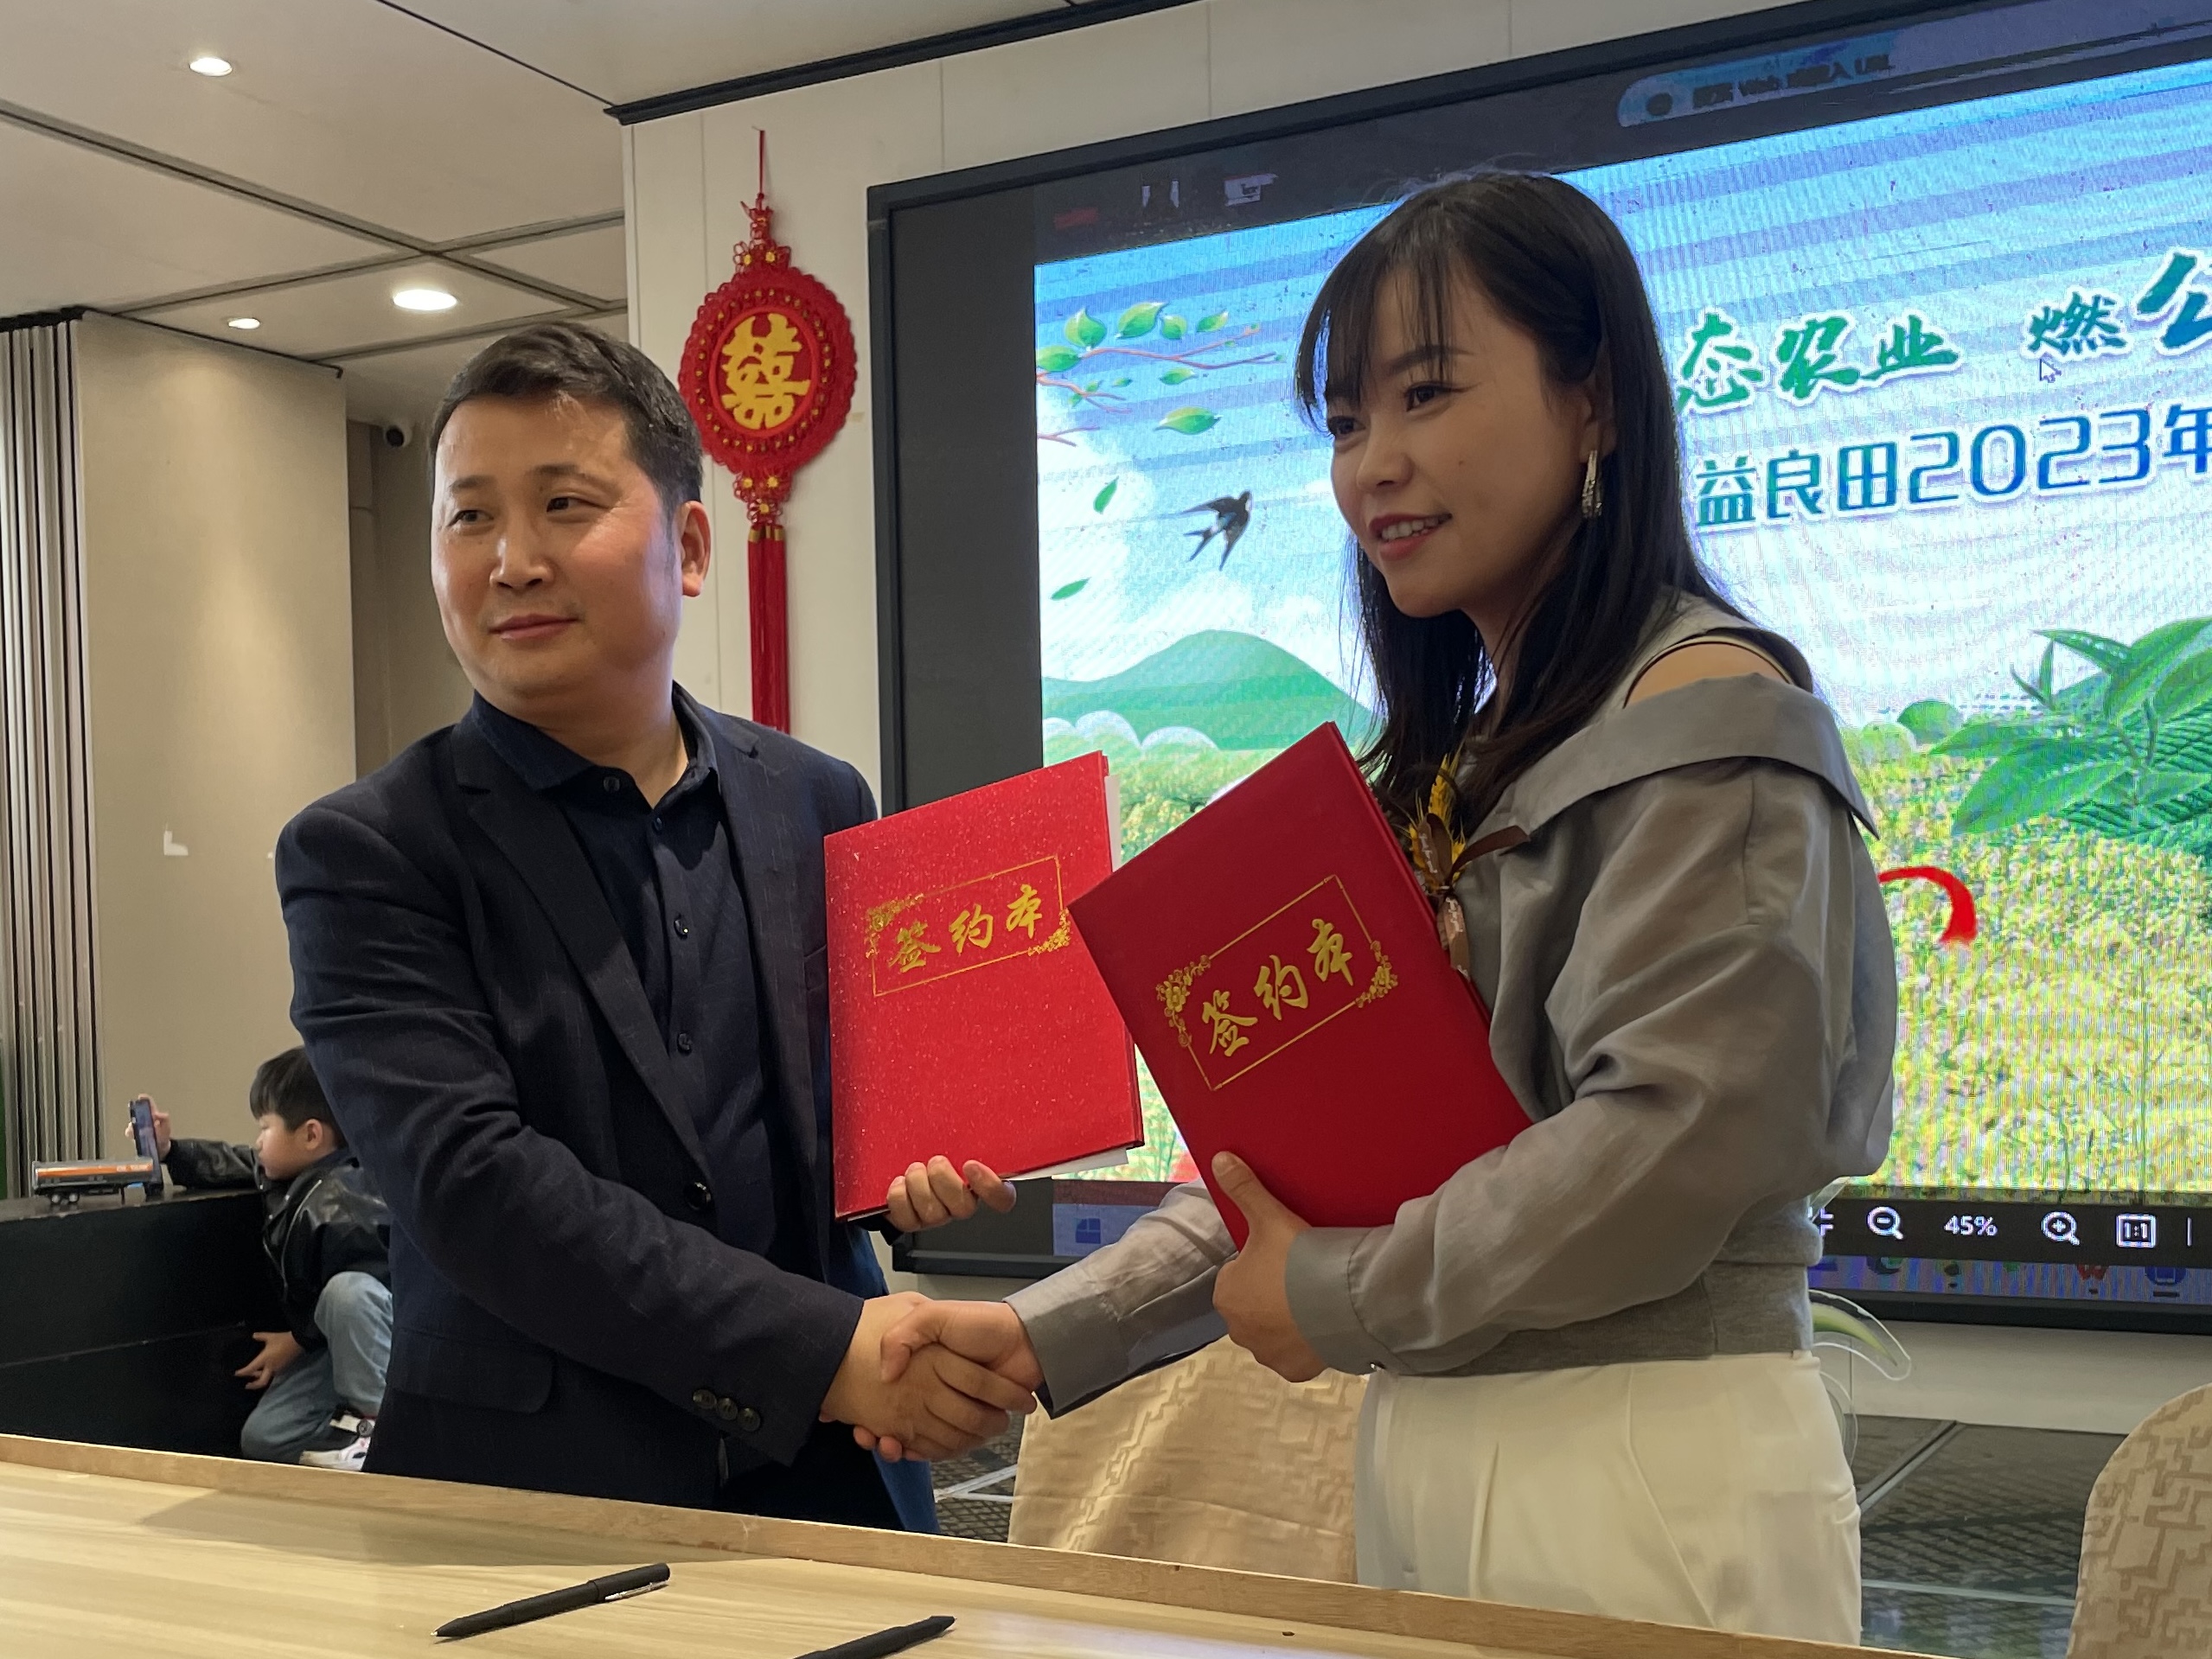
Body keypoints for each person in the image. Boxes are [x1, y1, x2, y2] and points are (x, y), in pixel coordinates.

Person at [866, 173, 1896, 1643]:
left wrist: (1342, 1287)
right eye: (1346, 422)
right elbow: (1314, 1157)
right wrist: (1039, 1331)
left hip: (1643, 1457)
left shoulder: (1707, 707)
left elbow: (1676, 1137)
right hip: (1445, 1446)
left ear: (1594, 397)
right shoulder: (1465, 762)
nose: (1374, 466)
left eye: (1426, 393)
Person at [274, 322, 1026, 1528]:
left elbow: (830, 1122)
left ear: (689, 546)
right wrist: (822, 1347)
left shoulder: (815, 798)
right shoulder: (369, 848)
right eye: (469, 517)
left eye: (563, 504)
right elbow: (473, 1186)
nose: (512, 559)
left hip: (838, 1480)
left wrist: (903, 1169)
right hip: (531, 1508)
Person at [145, 1049, 393, 1471]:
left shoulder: (353, 1202)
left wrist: (297, 1341)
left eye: (265, 1127)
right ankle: (352, 1451)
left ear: (311, 1136)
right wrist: (170, 1150)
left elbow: (372, 1298)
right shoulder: (289, 1178)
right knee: (265, 1438)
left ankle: (377, 1430)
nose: (258, 1140)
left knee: (348, 1292)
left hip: (382, 1348)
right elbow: (235, 1162)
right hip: (328, 1344)